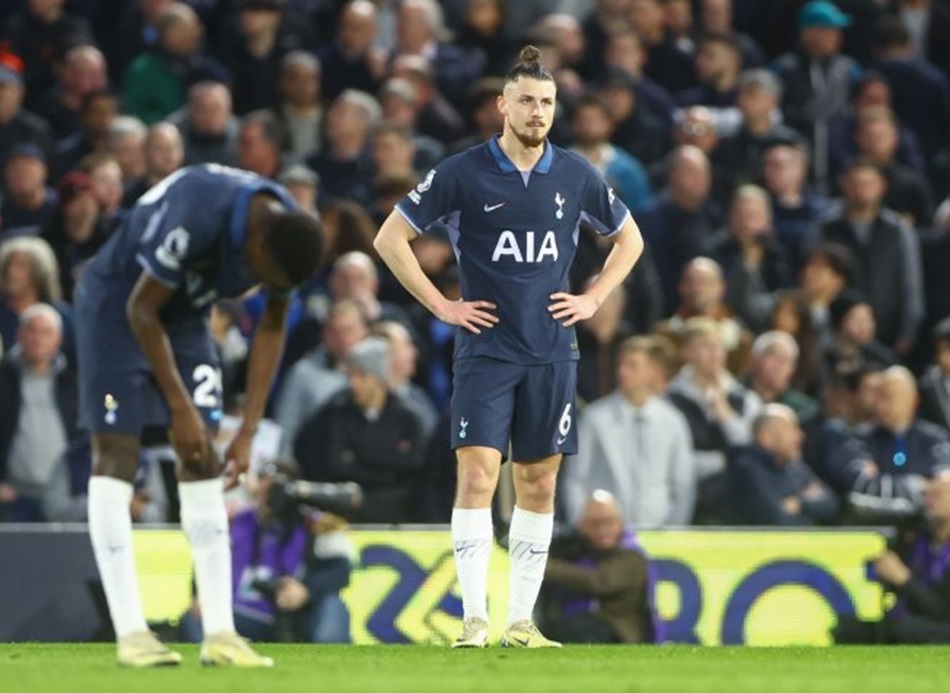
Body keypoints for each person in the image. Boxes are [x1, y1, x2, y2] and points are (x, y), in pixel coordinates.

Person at [373, 46, 643, 648]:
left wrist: (594, 300)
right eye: (526, 100)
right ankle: (474, 619)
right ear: (502, 105)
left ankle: (521, 622)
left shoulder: (576, 174)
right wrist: (441, 305)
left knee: (539, 482)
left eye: (546, 102)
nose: (537, 111)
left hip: (552, 348)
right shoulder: (462, 172)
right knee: (477, 473)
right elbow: (390, 237)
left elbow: (630, 240)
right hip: (487, 347)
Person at [73, 164, 324, 667]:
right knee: (118, 452)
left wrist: (248, 430)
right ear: (254, 241)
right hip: (118, 304)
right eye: (259, 275)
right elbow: (141, 310)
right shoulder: (199, 213)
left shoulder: (288, 238)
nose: (257, 285)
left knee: (203, 455)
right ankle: (131, 632)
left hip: (186, 314)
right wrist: (179, 407)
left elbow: (272, 326)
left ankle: (221, 633)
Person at [564, 336, 696, 529]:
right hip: (604, 536)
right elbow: (576, 479)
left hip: (660, 534)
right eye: (621, 364)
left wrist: (675, 529)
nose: (622, 371)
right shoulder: (595, 418)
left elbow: (683, 483)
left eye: (632, 365)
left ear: (653, 371)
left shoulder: (673, 421)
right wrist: (582, 525)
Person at [833, 469, 950, 644]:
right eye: (926, 494)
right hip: (916, 620)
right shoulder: (917, 537)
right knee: (847, 628)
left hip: (941, 623)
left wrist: (903, 579)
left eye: (937, 494)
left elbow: (941, 609)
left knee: (905, 630)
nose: (929, 501)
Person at [541, 490, 658, 644]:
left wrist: (541, 565)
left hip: (620, 632)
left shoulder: (632, 556)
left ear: (621, 524)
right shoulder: (575, 550)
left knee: (581, 629)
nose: (603, 530)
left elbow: (599, 581)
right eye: (594, 524)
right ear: (581, 526)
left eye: (608, 522)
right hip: (580, 625)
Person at [725, 404, 839, 526]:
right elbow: (778, 521)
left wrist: (800, 503)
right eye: (791, 430)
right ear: (766, 437)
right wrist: (811, 502)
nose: (800, 436)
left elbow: (832, 503)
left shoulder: (794, 467)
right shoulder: (746, 469)